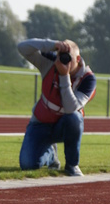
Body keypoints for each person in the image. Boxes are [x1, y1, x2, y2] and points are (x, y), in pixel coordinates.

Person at [17, 37, 96, 177]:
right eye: (61, 56)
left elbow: (71, 108)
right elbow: (22, 47)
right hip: (40, 123)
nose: (64, 60)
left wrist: (64, 76)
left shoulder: (88, 79)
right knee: (28, 165)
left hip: (64, 125)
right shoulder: (51, 62)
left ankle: (72, 165)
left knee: (75, 118)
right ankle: (51, 155)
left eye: (68, 58)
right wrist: (52, 45)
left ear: (78, 59)